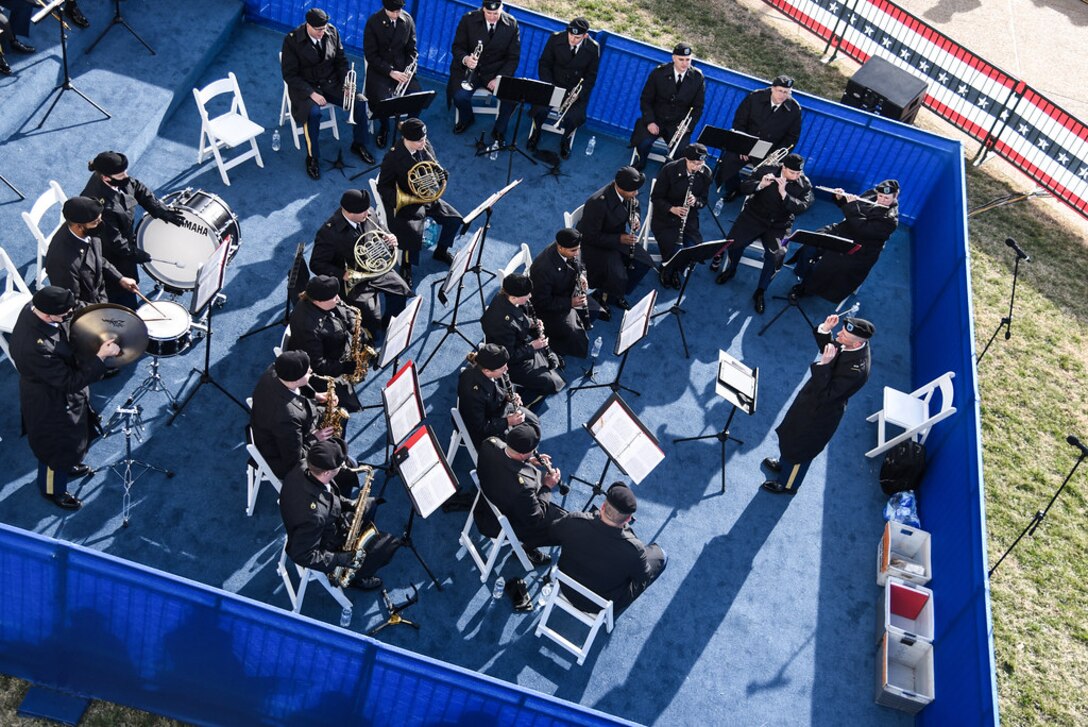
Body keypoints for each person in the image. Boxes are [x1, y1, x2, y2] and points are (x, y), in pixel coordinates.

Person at [10, 286, 119, 510]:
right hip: (49, 402)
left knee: (71, 438)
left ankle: (68, 464)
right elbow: (70, 383)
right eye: (65, 314)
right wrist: (100, 357)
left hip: (60, 392)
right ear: (49, 315)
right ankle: (52, 490)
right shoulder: (35, 348)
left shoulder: (36, 309)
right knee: (54, 448)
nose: (69, 316)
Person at [762, 314, 873, 494]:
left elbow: (828, 395)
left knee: (801, 449)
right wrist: (825, 331)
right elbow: (829, 348)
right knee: (791, 435)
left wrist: (823, 365)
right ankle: (784, 464)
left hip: (820, 415)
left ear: (858, 344)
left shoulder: (858, 371)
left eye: (843, 335)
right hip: (809, 401)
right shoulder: (850, 345)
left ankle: (788, 484)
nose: (838, 336)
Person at [279, 440, 400, 591]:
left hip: (326, 520)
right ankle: (357, 578)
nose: (344, 465)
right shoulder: (314, 515)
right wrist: (338, 559)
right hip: (327, 543)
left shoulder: (305, 465)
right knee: (387, 547)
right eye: (340, 465)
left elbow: (329, 494)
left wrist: (348, 504)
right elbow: (302, 555)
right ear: (326, 472)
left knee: (371, 504)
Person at [79, 151, 185, 309]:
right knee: (122, 292)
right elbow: (115, 243)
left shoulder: (116, 180)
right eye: (121, 174)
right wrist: (137, 254)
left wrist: (158, 209)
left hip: (123, 235)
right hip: (109, 253)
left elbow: (137, 187)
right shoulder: (101, 207)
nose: (126, 177)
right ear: (105, 177)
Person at [711, 152, 814, 313]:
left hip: (779, 225)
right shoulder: (766, 170)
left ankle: (760, 291)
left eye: (799, 173)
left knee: (776, 256)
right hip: (754, 217)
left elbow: (802, 207)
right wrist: (760, 185)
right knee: (734, 243)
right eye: (793, 172)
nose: (796, 175)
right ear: (783, 167)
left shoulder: (804, 184)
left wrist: (784, 194)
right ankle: (731, 270)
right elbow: (743, 187)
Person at [281, 7, 375, 181]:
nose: (322, 32)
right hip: (306, 87)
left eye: (324, 28)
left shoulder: (332, 32)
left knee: (360, 102)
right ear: (308, 25)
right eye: (318, 30)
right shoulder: (292, 40)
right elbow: (290, 75)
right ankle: (312, 157)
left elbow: (341, 61)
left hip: (331, 83)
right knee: (313, 113)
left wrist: (347, 83)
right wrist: (311, 93)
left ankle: (359, 144)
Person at [551, 483, 667, 616]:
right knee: (661, 555)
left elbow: (553, 533)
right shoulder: (634, 550)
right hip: (598, 605)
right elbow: (642, 578)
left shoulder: (574, 520)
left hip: (566, 587)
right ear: (628, 518)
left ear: (602, 506)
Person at [310, 188, 410, 335]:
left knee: (401, 291)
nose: (368, 213)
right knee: (370, 314)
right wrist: (342, 274)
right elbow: (316, 264)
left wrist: (389, 237)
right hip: (351, 278)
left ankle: (388, 325)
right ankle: (369, 335)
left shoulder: (368, 212)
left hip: (375, 268)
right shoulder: (328, 233)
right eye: (363, 212)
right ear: (349, 212)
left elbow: (382, 230)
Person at [376, 117, 462, 282]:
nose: (424, 143)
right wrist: (400, 199)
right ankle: (406, 266)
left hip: (426, 197)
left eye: (424, 138)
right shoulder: (393, 157)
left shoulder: (425, 145)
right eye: (419, 141)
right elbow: (383, 186)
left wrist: (441, 177)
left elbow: (433, 169)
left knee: (455, 219)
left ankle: (441, 251)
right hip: (406, 202)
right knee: (412, 233)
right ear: (407, 139)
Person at [789, 180, 900, 303]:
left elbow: (862, 229)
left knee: (828, 264)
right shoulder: (872, 195)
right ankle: (802, 272)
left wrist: (851, 205)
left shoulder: (890, 220)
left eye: (886, 198)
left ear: (895, 196)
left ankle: (806, 289)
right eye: (880, 196)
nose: (882, 200)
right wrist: (840, 198)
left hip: (860, 248)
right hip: (844, 230)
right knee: (810, 242)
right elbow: (849, 209)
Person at [474, 423, 564, 563]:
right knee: (562, 524)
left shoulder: (489, 444)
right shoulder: (524, 488)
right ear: (522, 453)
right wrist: (547, 486)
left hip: (485, 506)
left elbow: (506, 456)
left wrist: (527, 460)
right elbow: (535, 518)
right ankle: (528, 548)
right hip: (501, 523)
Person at [249, 350, 338, 481]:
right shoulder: (287, 417)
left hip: (278, 428)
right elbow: (293, 460)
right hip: (280, 458)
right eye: (308, 371)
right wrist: (315, 438)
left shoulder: (274, 370)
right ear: (296, 379)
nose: (311, 370)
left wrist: (315, 395)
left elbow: (297, 383)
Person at [287, 275, 371, 413]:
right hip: (322, 368)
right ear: (320, 301)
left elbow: (345, 310)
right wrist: (344, 367)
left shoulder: (320, 299)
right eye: (334, 297)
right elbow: (318, 366)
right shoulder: (309, 328)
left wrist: (351, 324)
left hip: (335, 345)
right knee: (351, 404)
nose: (337, 298)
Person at [715, 76, 804, 200]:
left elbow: (792, 138)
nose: (783, 95)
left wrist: (774, 157)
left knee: (766, 172)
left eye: (786, 92)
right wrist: (743, 146)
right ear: (772, 88)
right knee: (728, 161)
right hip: (746, 142)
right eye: (780, 90)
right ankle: (734, 188)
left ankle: (754, 193)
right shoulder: (755, 97)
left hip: (768, 150)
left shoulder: (794, 109)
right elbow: (739, 122)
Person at [481, 273, 565, 405]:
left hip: (520, 344)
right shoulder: (502, 324)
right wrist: (532, 347)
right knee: (552, 383)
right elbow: (509, 357)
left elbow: (519, 320)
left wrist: (532, 323)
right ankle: (523, 405)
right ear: (514, 297)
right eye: (526, 295)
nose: (530, 296)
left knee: (553, 362)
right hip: (510, 363)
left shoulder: (506, 299)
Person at [577, 166, 646, 321]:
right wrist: (619, 239)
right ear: (620, 188)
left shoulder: (628, 193)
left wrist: (635, 217)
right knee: (618, 274)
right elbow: (589, 237)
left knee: (643, 262)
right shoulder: (597, 203)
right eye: (633, 191)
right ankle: (604, 297)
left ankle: (618, 293)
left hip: (617, 236)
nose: (635, 194)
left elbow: (635, 205)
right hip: (596, 245)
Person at [45, 196, 139, 310]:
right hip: (88, 310)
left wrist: (120, 278)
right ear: (78, 226)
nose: (100, 224)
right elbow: (71, 302)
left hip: (100, 294)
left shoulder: (88, 232)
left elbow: (98, 258)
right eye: (95, 222)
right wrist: (102, 310)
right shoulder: (62, 262)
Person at [446, 0, 520, 142]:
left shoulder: (512, 24)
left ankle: (499, 129)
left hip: (495, 73)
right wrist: (466, 59)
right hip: (469, 72)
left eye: (496, 13)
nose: (492, 17)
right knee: (460, 97)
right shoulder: (468, 20)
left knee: (512, 99)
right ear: (482, 9)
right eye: (489, 13)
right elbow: (457, 47)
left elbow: (513, 58)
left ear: (502, 9)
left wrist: (500, 77)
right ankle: (467, 119)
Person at [527, 17, 600, 160]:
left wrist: (579, 93)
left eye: (577, 37)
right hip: (553, 84)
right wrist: (550, 85)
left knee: (574, 117)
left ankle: (566, 139)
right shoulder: (555, 39)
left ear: (585, 35)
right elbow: (544, 64)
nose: (572, 39)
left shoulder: (593, 48)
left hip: (573, 91)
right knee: (539, 109)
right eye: (571, 35)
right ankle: (536, 132)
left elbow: (591, 76)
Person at [630, 43, 705, 171]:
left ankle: (666, 170)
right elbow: (646, 100)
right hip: (656, 118)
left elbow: (698, 108)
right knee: (643, 142)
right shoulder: (658, 73)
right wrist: (650, 122)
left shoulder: (697, 78)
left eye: (688, 59)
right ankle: (641, 161)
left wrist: (687, 127)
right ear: (673, 58)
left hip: (677, 124)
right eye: (681, 59)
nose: (685, 63)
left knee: (681, 151)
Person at [457, 343, 541, 451]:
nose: (506, 369)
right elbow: (480, 427)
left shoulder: (493, 370)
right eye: (502, 368)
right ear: (487, 370)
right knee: (519, 445)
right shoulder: (473, 393)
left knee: (534, 422)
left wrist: (508, 396)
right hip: (484, 428)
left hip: (498, 409)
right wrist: (508, 422)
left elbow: (497, 389)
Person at [651, 143, 712, 289]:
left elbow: (704, 201)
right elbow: (656, 198)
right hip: (665, 217)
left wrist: (695, 201)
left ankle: (676, 270)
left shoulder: (705, 174)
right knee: (672, 248)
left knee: (693, 248)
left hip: (688, 218)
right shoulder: (669, 170)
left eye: (701, 163)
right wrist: (672, 209)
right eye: (695, 163)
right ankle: (666, 269)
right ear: (686, 159)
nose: (698, 167)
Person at [362, 0, 420, 150]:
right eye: (393, 12)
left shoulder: (407, 20)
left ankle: (410, 128)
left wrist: (408, 70)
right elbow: (371, 55)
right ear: (385, 9)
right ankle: (385, 127)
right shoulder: (373, 22)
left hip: (402, 70)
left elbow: (412, 50)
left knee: (418, 96)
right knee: (382, 101)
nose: (397, 15)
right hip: (381, 71)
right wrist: (390, 72)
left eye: (399, 11)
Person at [528, 227, 590, 358]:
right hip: (548, 310)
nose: (577, 252)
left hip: (565, 291)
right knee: (575, 334)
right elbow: (541, 302)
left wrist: (581, 275)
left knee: (594, 311)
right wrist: (570, 303)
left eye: (578, 248)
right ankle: (555, 346)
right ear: (560, 247)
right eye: (574, 250)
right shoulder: (543, 269)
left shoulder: (571, 248)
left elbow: (579, 264)